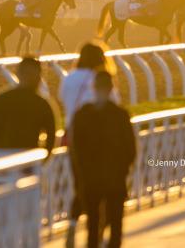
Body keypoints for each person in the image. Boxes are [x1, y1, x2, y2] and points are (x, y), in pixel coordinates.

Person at [59, 42, 119, 248]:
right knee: (101, 186)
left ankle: (72, 226)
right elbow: (114, 106)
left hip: (73, 137)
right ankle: (99, 231)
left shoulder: (69, 78)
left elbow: (64, 102)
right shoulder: (100, 80)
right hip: (100, 140)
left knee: (81, 184)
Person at [71, 71, 136, 248]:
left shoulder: (82, 115)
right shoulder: (121, 115)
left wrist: (80, 177)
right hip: (115, 179)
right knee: (115, 226)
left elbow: (76, 151)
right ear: (111, 88)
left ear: (93, 88)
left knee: (93, 226)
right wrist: (124, 171)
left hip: (91, 179)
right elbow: (131, 150)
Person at [0, 57, 56, 155]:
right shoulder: (42, 104)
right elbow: (51, 139)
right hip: (29, 163)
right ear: (39, 76)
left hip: (0, 161)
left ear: (18, 74)